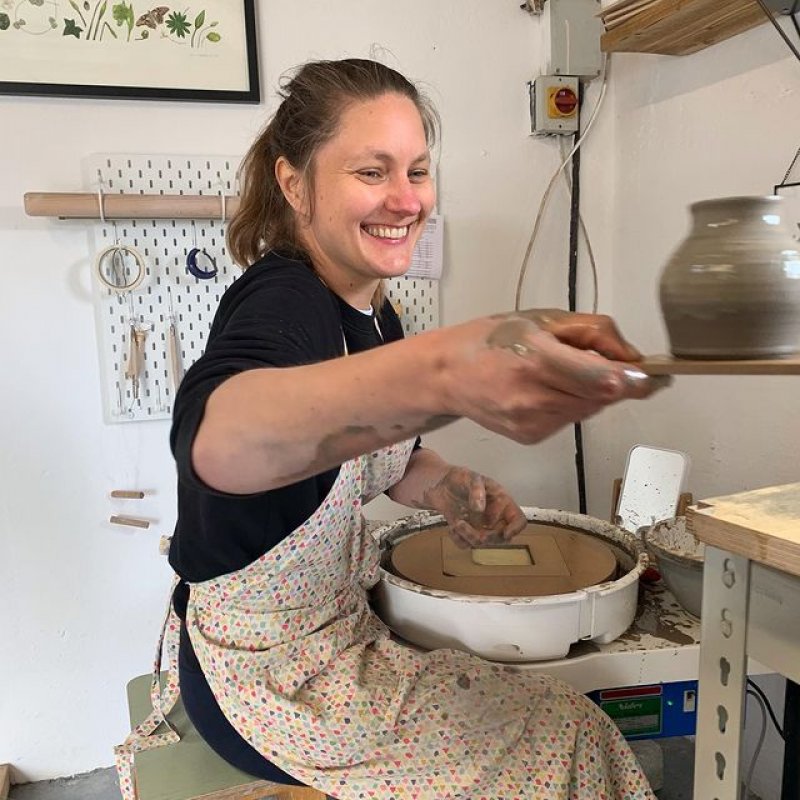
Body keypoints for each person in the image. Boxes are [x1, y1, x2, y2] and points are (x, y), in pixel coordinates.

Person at [116, 58, 669, 800]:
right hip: (264, 678)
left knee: (564, 721)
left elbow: (387, 453)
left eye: (418, 170)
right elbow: (218, 441)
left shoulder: (374, 309)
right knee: (563, 738)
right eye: (372, 172)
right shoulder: (284, 301)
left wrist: (447, 486)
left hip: (337, 635)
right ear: (294, 184)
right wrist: (442, 372)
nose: (406, 199)